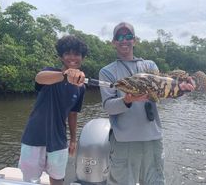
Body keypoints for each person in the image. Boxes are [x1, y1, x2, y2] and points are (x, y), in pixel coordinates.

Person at [99, 22, 195, 185]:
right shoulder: (107, 71)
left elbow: (164, 94)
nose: (124, 40)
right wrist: (127, 100)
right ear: (114, 42)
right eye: (119, 37)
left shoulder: (150, 65)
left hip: (153, 138)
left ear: (134, 40)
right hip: (124, 141)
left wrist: (183, 89)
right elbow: (108, 106)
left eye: (128, 36)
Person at [18, 35, 88, 185]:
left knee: (57, 179)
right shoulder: (50, 73)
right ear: (61, 57)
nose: (72, 57)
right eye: (67, 53)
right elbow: (39, 78)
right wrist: (65, 75)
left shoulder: (81, 87)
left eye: (77, 54)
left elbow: (73, 113)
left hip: (59, 138)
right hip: (34, 136)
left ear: (82, 57)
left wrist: (74, 140)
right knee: (30, 180)